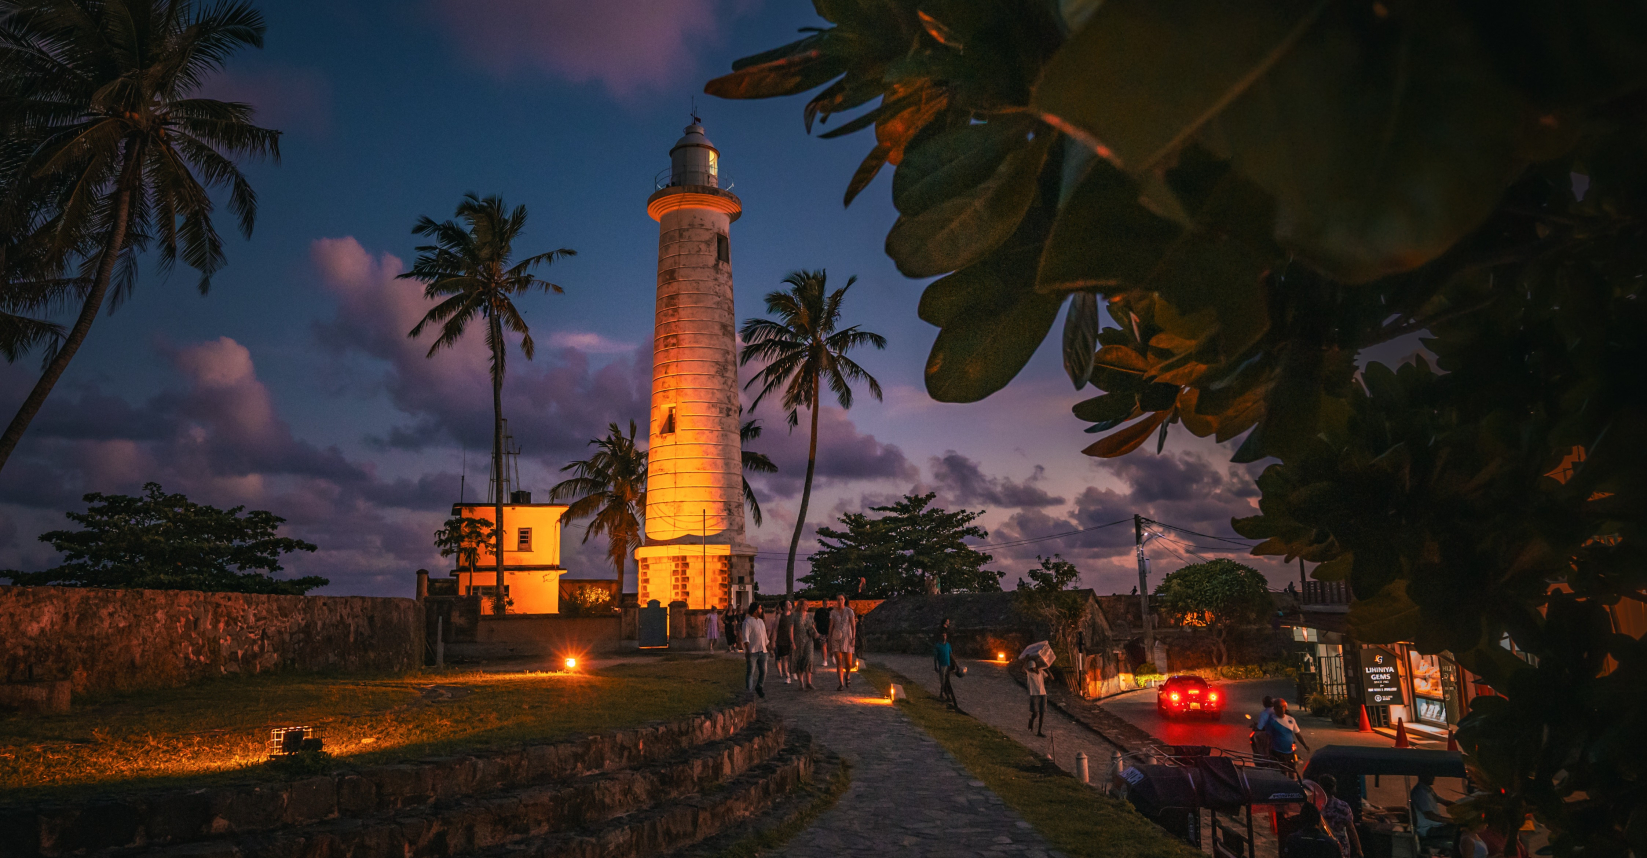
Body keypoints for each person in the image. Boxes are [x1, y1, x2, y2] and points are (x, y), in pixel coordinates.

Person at [1318, 774, 1362, 858]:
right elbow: (1351, 829)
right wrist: (1359, 849)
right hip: (1341, 847)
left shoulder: (1316, 806)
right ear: (1334, 787)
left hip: (1322, 846)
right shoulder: (1342, 806)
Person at [1412, 774, 1458, 849]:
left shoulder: (1428, 790)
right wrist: (1452, 820)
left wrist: (1463, 808)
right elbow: (1430, 815)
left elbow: (1443, 801)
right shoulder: (1421, 792)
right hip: (1429, 829)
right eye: (1431, 775)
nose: (1433, 777)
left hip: (1436, 826)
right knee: (1459, 830)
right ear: (1423, 776)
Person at [1264, 698, 1310, 769]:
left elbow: (1297, 734)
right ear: (1275, 708)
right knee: (1283, 773)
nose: (1281, 709)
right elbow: (1267, 737)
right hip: (1277, 752)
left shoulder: (1291, 719)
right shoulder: (1272, 721)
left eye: (1283, 707)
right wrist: (1266, 752)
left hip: (1290, 752)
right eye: (1279, 707)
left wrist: (1305, 745)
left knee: (1292, 772)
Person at [828, 594, 857, 691]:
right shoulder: (833, 612)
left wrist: (853, 638)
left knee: (848, 663)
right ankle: (840, 683)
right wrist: (829, 640)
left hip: (847, 638)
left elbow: (853, 626)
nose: (840, 601)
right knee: (839, 662)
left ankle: (847, 675)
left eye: (841, 599)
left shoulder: (849, 611)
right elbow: (831, 626)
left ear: (844, 600)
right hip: (836, 638)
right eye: (838, 599)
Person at [742, 605, 769, 698]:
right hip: (753, 651)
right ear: (755, 610)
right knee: (751, 672)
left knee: (764, 671)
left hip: (762, 650)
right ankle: (749, 691)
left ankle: (759, 686)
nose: (761, 610)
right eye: (760, 608)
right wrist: (748, 650)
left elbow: (764, 637)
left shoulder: (761, 621)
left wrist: (768, 647)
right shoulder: (747, 622)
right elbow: (745, 638)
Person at [792, 599, 819, 690]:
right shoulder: (795, 616)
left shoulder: (810, 616)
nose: (807, 606)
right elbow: (791, 629)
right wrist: (792, 641)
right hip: (798, 640)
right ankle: (801, 683)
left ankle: (809, 682)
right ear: (801, 605)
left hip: (808, 639)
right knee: (800, 659)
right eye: (806, 604)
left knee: (809, 658)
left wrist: (816, 633)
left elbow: (812, 626)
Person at [933, 630, 960, 710]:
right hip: (942, 664)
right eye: (942, 636)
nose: (944, 637)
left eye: (945, 636)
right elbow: (935, 657)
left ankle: (943, 694)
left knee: (947, 680)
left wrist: (955, 664)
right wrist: (935, 666)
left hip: (947, 664)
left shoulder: (948, 645)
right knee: (943, 680)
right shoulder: (938, 645)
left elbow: (950, 654)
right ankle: (944, 694)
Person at [1024, 653, 1048, 736]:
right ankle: (1031, 720)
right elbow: (1021, 670)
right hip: (1034, 694)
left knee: (1042, 713)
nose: (1032, 669)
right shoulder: (1029, 674)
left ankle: (1039, 731)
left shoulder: (1041, 672)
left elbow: (1051, 678)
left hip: (1043, 693)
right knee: (1035, 713)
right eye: (1031, 668)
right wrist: (1026, 660)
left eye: (1033, 668)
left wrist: (1047, 669)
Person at [774, 600, 795, 684]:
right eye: (788, 604)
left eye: (790, 603)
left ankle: (793, 671)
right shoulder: (779, 616)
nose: (790, 605)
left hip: (792, 640)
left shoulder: (793, 616)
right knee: (784, 658)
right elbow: (775, 630)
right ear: (784, 607)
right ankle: (787, 675)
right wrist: (773, 641)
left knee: (792, 658)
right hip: (782, 640)